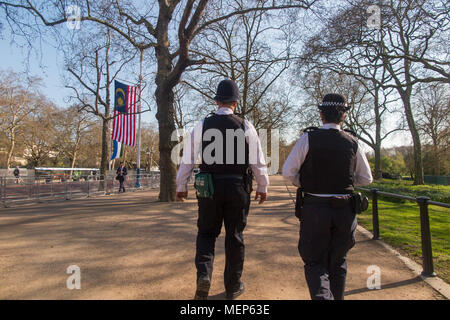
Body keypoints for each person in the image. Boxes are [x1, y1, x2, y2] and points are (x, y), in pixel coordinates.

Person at [176, 79, 269, 300]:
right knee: (234, 236)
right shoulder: (246, 125)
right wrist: (263, 185)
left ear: (216, 101)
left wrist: (181, 185)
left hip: (209, 188)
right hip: (238, 186)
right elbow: (257, 160)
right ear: (235, 102)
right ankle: (233, 285)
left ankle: (204, 276)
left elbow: (188, 158)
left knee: (206, 233)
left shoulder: (203, 125)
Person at [282, 93, 373, 300]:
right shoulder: (352, 142)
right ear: (344, 117)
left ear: (321, 114)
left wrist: (306, 184)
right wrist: (345, 184)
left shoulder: (308, 138)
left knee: (315, 262)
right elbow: (366, 178)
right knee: (338, 262)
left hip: (315, 209)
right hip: (345, 211)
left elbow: (288, 171)